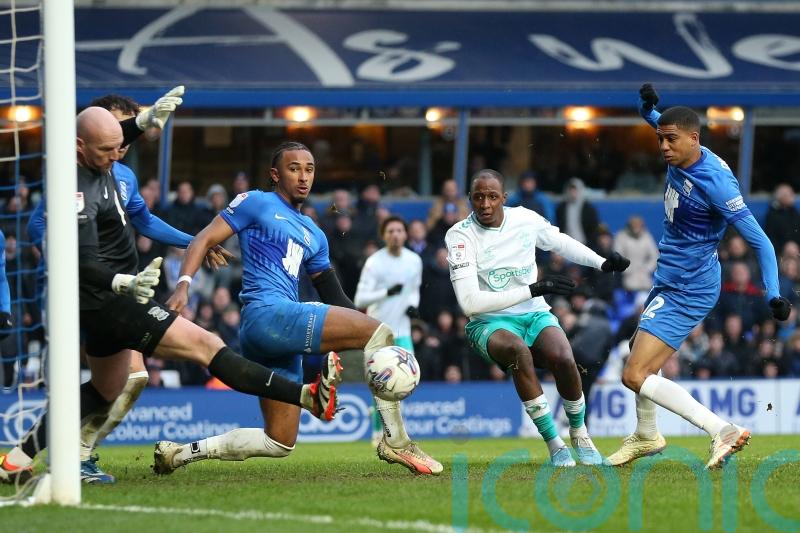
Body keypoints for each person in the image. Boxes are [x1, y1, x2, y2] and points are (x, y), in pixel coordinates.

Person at [0, 110, 338, 486]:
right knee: (207, 345)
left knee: (105, 389)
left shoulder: (106, 165)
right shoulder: (78, 191)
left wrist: (142, 121)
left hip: (101, 304)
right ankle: (305, 396)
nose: (118, 153)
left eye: (120, 145)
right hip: (113, 300)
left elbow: (112, 142)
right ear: (80, 149)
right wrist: (120, 283)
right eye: (108, 149)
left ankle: (17, 458)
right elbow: (82, 257)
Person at [154, 142, 442, 476]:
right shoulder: (257, 202)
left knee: (279, 441)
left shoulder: (315, 234)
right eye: (294, 168)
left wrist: (357, 328)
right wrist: (183, 286)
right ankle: (397, 441)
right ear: (275, 175)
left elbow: (333, 294)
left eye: (309, 169)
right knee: (380, 332)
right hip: (267, 314)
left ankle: (180, 454)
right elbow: (203, 238)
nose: (303, 176)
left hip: (274, 333)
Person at [26, 92, 232, 484]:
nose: (123, 141)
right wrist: (69, 260)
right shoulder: (74, 174)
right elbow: (40, 225)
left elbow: (146, 221)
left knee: (128, 378)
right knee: (91, 378)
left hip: (118, 292)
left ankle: (71, 454)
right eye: (123, 127)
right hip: (78, 291)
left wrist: (197, 241)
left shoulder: (124, 176)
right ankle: (62, 454)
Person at [606, 84, 792, 469]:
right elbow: (655, 119)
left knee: (635, 374)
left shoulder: (717, 184)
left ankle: (720, 429)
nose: (663, 147)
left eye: (671, 140)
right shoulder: (680, 149)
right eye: (661, 140)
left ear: (695, 139)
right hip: (672, 277)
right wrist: (647, 107)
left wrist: (772, 293)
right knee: (637, 351)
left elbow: (762, 242)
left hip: (690, 285)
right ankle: (646, 435)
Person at [444, 169, 631, 466]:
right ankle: (555, 444)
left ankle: (580, 435)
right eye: (478, 197)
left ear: (504, 198)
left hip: (533, 313)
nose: (485, 204)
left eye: (492, 196)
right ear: (470, 199)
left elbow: (560, 242)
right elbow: (470, 302)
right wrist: (532, 289)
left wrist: (602, 262)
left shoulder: (525, 219)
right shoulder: (460, 235)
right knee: (519, 352)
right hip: (488, 321)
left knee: (565, 357)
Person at [354, 215, 422, 446]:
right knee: (380, 385)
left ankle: (395, 431)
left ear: (405, 234)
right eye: (390, 231)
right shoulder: (374, 262)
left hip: (402, 331)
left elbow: (414, 290)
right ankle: (377, 432)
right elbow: (360, 298)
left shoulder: (414, 261)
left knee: (405, 383)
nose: (395, 235)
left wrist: (413, 305)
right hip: (378, 333)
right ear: (384, 235)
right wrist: (386, 293)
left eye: (399, 230)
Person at [555, 178, 600, 251]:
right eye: (571, 190)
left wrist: (590, 247)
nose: (573, 192)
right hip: (566, 245)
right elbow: (559, 227)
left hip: (584, 245)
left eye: (575, 190)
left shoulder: (588, 209)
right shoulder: (562, 208)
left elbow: (593, 229)